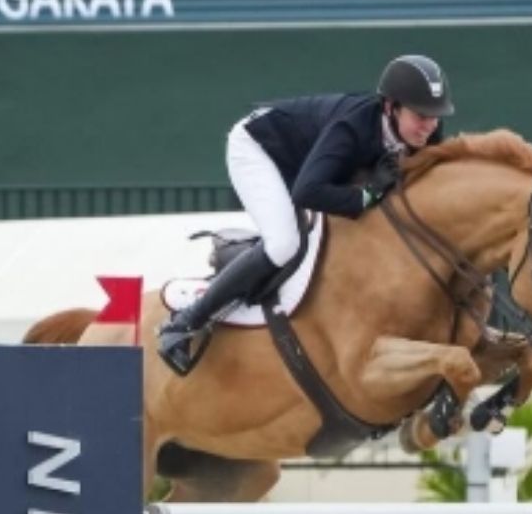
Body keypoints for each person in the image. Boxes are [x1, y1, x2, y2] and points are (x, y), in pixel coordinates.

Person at [156, 54, 456, 375]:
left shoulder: (424, 134)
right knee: (284, 244)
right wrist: (367, 195)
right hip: (259, 149)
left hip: (307, 164)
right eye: (421, 115)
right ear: (390, 107)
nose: (430, 125)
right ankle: (185, 322)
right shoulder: (351, 128)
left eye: (435, 116)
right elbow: (308, 191)